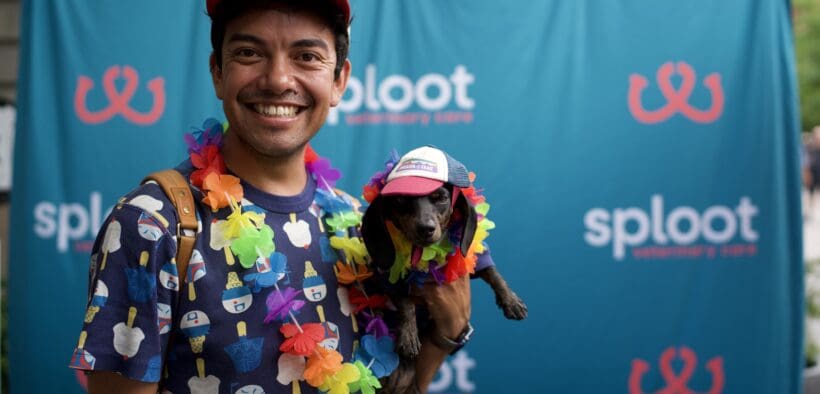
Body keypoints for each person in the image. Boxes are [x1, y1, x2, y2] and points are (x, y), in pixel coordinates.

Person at [68, 1, 473, 393]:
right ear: (217, 72)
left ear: (339, 81)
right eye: (248, 52)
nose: (279, 79)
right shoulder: (153, 225)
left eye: (307, 56)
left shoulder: (358, 225)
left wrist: (442, 339)